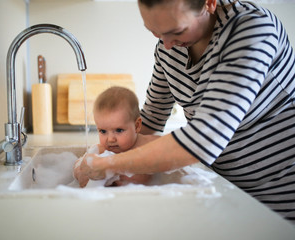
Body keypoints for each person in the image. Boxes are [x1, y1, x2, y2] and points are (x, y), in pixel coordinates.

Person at [76, 0, 295, 223]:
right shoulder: (168, 49)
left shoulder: (252, 29)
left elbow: (204, 139)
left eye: (177, 31)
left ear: (209, 3)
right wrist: (105, 152)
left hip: (280, 197)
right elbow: (149, 122)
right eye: (154, 32)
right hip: (226, 190)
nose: (166, 44)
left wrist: (106, 165)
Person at [73, 86, 160, 187]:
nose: (110, 139)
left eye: (119, 130)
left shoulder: (150, 145)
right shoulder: (100, 151)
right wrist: (80, 173)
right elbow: (78, 165)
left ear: (137, 126)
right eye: (103, 131)